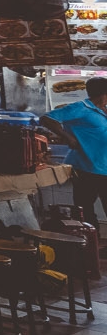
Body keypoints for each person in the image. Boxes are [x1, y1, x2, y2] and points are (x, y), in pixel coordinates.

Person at [49, 77, 107, 225]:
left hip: (104, 166)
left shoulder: (103, 109)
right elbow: (47, 118)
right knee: (84, 210)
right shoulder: (80, 108)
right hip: (86, 167)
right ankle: (89, 243)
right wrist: (68, 138)